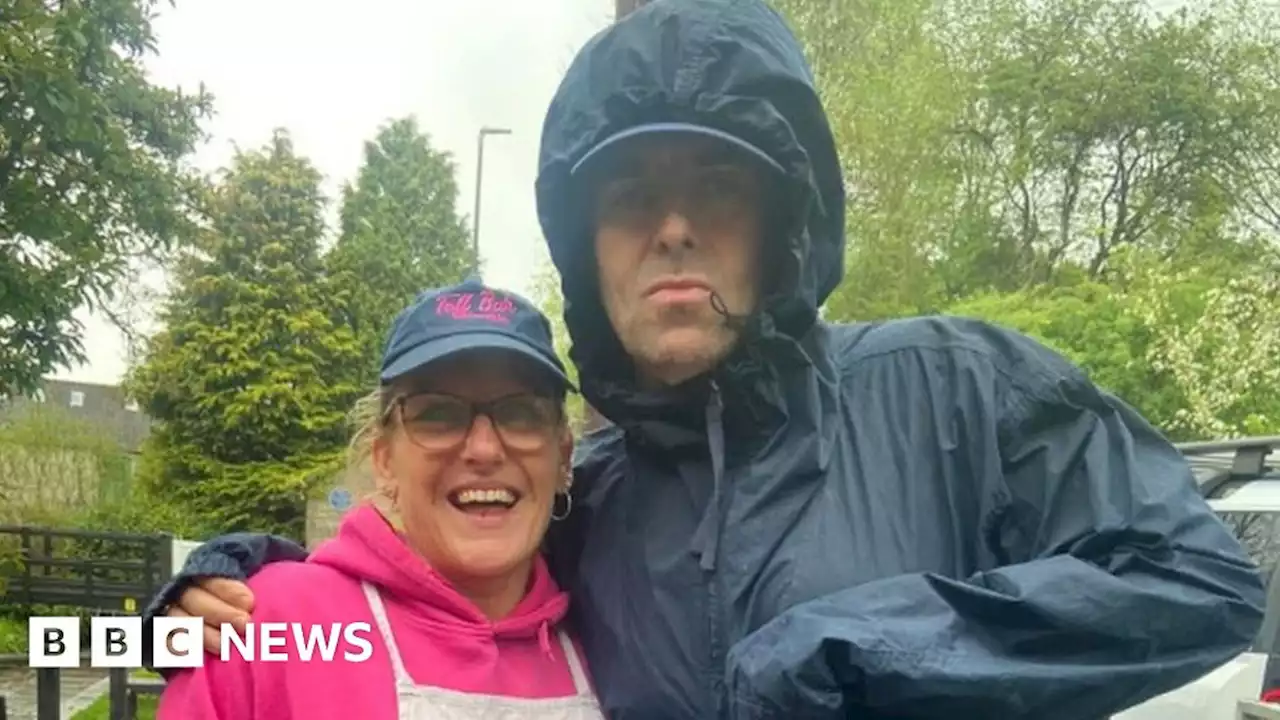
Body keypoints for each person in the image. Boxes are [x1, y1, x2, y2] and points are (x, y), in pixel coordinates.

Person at [145, 1, 1266, 718]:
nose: (672, 228)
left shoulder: (956, 393)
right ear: (587, 256)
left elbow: (1196, 583)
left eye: (716, 188)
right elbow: (436, 571)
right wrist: (221, 577)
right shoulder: (595, 496)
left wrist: (860, 645)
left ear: (781, 224)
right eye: (631, 197)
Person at [154, 279, 605, 720]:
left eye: (521, 413)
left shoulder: (618, 648)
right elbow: (129, 642)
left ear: (563, 455)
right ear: (385, 458)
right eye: (438, 415)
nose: (484, 449)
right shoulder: (257, 624)